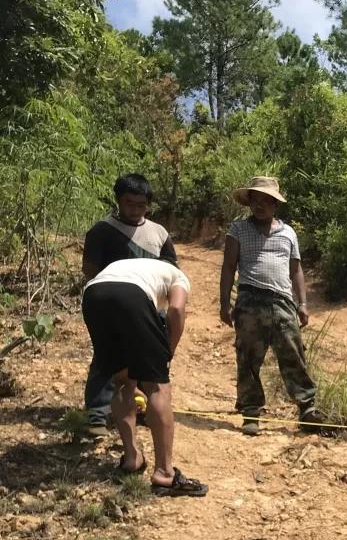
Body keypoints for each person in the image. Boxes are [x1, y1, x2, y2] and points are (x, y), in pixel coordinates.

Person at [82, 258, 207, 497]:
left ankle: (132, 459)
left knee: (123, 382)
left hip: (93, 296)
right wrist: (166, 354)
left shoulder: (134, 267)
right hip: (131, 295)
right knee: (158, 387)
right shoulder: (178, 276)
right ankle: (165, 474)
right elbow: (177, 310)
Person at [219, 176, 326, 436]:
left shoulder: (288, 232)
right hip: (249, 299)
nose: (260, 206)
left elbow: (296, 269)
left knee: (293, 353)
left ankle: (307, 408)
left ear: (275, 205)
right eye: (256, 200)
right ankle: (251, 412)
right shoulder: (238, 229)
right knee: (248, 357)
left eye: (267, 201)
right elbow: (229, 266)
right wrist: (225, 303)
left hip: (282, 302)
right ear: (250, 202)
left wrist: (302, 303)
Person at [82, 174, 179, 437]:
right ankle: (98, 413)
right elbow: (90, 269)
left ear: (149, 204)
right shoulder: (102, 230)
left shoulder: (158, 233)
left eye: (141, 205)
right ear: (118, 201)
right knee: (107, 356)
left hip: (149, 307)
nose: (135, 210)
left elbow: (170, 267)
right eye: (129, 203)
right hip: (110, 306)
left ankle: (144, 410)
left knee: (147, 359)